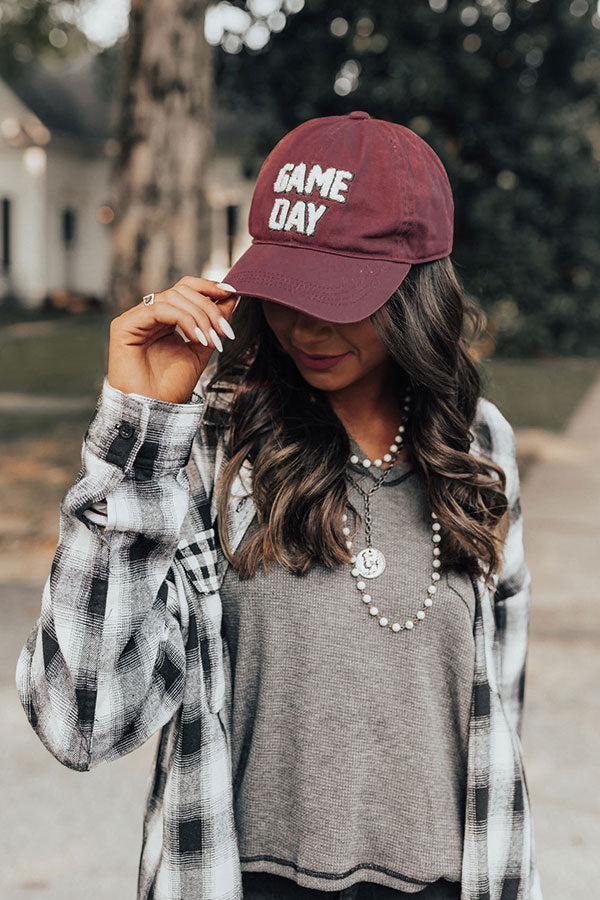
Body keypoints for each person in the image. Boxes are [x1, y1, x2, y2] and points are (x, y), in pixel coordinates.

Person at [15, 112, 543, 900]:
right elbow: (79, 721)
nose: (302, 323)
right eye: (288, 289)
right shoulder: (208, 448)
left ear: (419, 290)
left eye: (340, 294)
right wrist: (137, 431)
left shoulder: (479, 449)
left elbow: (499, 712)